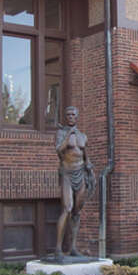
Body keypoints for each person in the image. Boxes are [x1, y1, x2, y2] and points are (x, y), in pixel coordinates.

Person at [54, 106, 95, 259]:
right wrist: (68, 136)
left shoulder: (83, 136)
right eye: (68, 114)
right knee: (67, 208)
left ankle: (73, 247)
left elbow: (85, 155)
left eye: (73, 115)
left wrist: (88, 164)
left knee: (77, 212)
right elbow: (59, 150)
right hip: (67, 173)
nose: (71, 117)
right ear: (66, 117)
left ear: (77, 117)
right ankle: (58, 248)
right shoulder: (61, 133)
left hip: (81, 173)